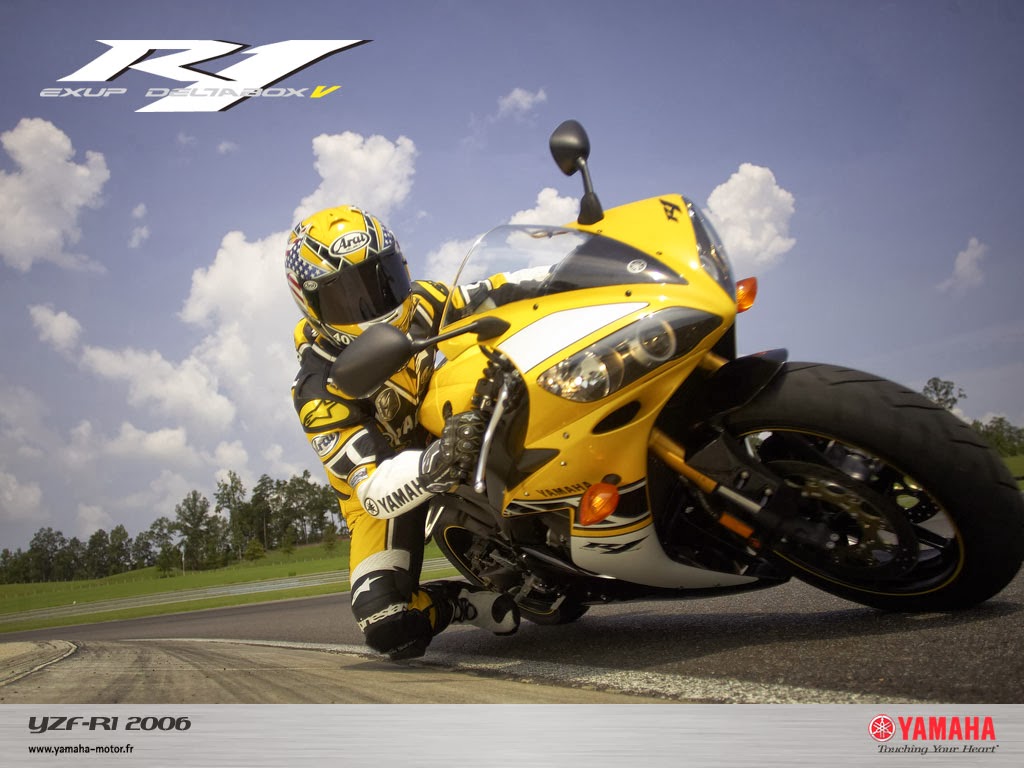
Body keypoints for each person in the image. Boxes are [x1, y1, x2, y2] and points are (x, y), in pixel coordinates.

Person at [285, 205, 520, 661]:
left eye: (382, 279)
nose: (373, 302)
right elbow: (372, 490)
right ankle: (456, 602)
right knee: (388, 625)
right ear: (310, 304)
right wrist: (437, 461)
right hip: (383, 489)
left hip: (454, 433)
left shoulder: (425, 300)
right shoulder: (317, 390)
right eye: (346, 296)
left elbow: (500, 289)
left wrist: (574, 272)